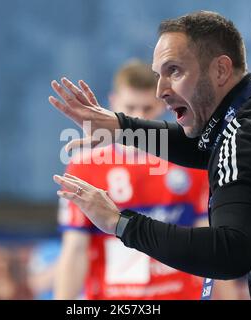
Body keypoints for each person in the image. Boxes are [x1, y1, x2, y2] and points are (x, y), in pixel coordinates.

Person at [49, 11, 251, 299]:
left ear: (221, 70)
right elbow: (209, 144)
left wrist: (119, 222)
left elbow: (230, 252)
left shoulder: (246, 141)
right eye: (158, 75)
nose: (161, 90)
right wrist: (122, 127)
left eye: (174, 70)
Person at [54, 60, 240, 300]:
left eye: (147, 109)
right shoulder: (85, 166)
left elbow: (211, 245)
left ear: (162, 106)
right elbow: (75, 249)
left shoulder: (191, 161)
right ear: (113, 103)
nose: (138, 117)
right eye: (130, 108)